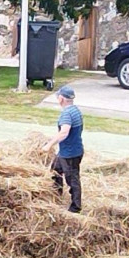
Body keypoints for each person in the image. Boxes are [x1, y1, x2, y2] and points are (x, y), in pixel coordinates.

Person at [43, 85, 84, 213]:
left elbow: (64, 133)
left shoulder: (66, 114)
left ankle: (75, 207)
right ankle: (56, 194)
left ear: (61, 99)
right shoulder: (76, 110)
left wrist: (49, 145)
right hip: (70, 150)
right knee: (55, 170)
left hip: (70, 153)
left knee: (72, 179)